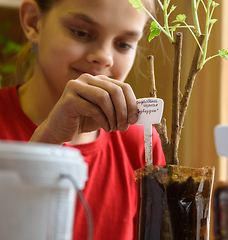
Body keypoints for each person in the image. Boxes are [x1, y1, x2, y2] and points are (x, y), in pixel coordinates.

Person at [0, 0, 166, 239]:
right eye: (81, 32)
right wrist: (49, 139)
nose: (104, 57)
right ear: (33, 22)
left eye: (123, 44)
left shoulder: (142, 146)